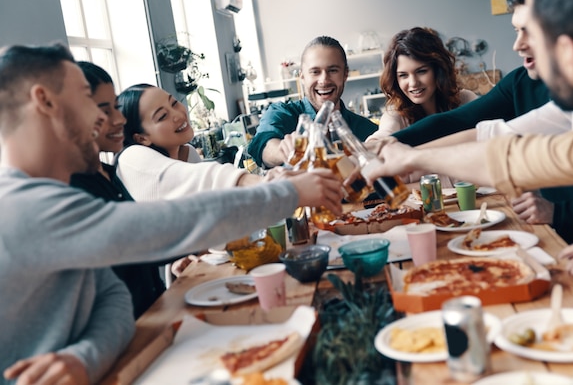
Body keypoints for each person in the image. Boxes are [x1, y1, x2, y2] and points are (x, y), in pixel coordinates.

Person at [0, 43, 343, 384]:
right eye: (85, 99)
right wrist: (289, 192)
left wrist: (83, 357)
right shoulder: (20, 207)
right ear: (45, 101)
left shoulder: (55, 196)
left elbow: (113, 297)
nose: (102, 117)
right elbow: (164, 226)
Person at [366, 0, 573, 348]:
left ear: (570, 53)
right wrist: (408, 158)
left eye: (532, 34)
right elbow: (507, 153)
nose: (519, 45)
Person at [368, 0, 573, 246]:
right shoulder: (535, 89)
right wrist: (393, 148)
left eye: (530, 31)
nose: (517, 44)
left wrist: (410, 158)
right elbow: (482, 135)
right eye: (516, 31)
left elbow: (497, 148)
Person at [70, 62, 166, 319]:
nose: (119, 119)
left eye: (115, 106)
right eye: (105, 109)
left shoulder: (110, 172)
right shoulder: (72, 190)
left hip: (152, 322)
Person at [115, 83, 264, 202]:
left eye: (173, 103)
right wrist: (252, 182)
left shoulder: (188, 153)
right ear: (141, 138)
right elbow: (204, 178)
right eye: (162, 116)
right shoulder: (131, 157)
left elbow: (210, 201)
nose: (178, 115)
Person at [248, 36, 378, 168]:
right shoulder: (281, 113)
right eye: (315, 72)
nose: (324, 80)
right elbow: (263, 145)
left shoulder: (367, 130)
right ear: (302, 77)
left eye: (333, 70)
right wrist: (283, 150)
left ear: (345, 74)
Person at [365, 26, 477, 142]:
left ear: (438, 70)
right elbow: (384, 133)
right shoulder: (396, 114)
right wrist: (374, 143)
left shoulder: (465, 100)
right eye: (403, 75)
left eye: (421, 71)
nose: (413, 83)